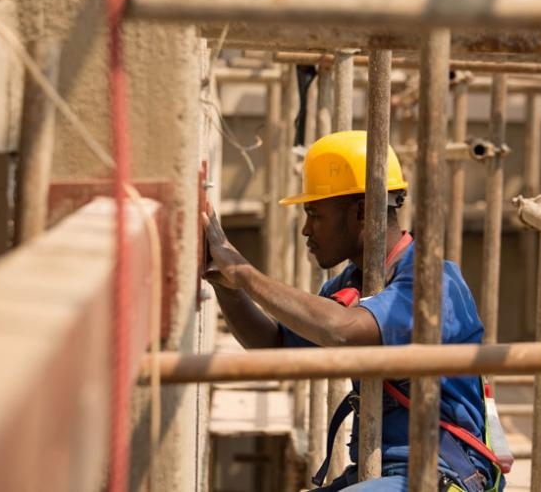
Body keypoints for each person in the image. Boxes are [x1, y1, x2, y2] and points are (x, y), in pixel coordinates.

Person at [201, 130, 503, 492]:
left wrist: (247, 275)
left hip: (441, 474)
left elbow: (343, 329)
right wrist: (226, 285)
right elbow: (276, 348)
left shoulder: (431, 280)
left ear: (362, 210)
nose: (306, 229)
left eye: (315, 214)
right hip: (382, 472)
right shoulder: (348, 286)